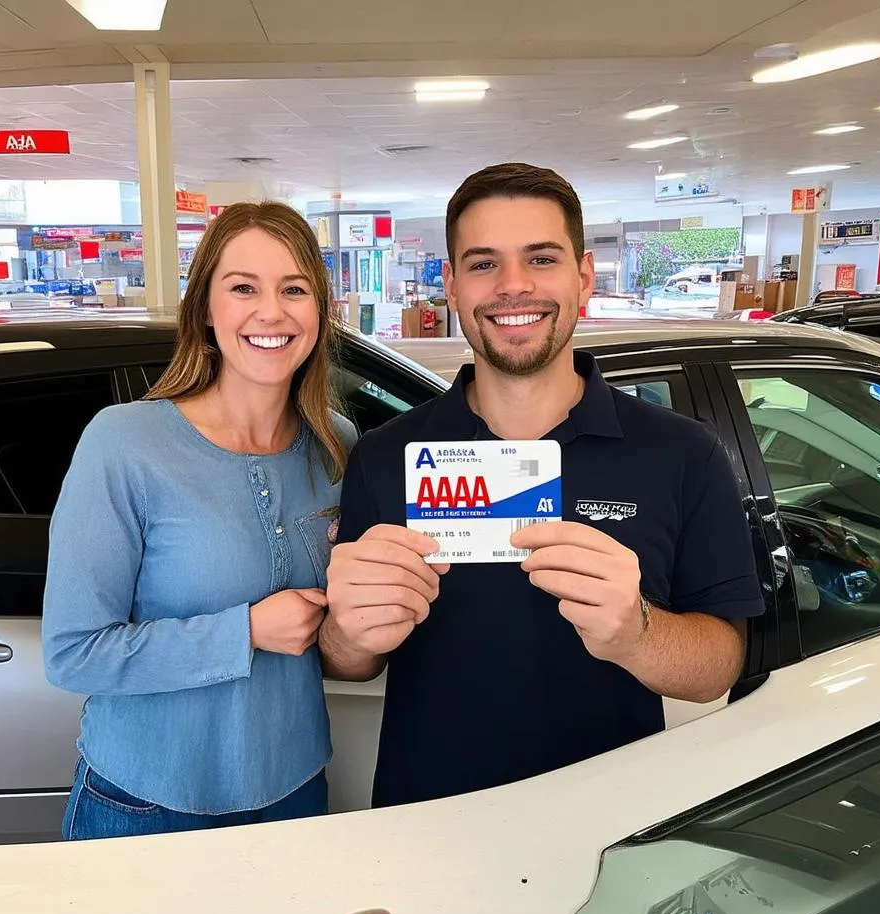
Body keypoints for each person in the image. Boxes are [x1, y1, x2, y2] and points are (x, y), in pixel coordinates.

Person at [320, 162, 765, 808]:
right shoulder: (386, 457)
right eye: (482, 264)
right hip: (427, 830)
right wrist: (347, 635)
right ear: (449, 284)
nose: (514, 286)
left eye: (541, 258)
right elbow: (349, 661)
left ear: (582, 277)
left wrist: (638, 633)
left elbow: (718, 666)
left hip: (612, 834)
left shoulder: (683, 455)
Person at [42, 201, 356, 840]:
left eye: (294, 289)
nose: (271, 312)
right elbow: (73, 654)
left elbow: (337, 638)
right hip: (143, 806)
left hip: (293, 794)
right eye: (243, 287)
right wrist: (244, 631)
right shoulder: (126, 442)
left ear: (320, 313)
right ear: (206, 310)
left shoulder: (337, 447)